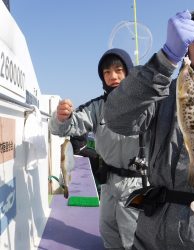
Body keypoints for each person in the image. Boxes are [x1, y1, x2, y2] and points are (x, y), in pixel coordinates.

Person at [104, 2, 194, 250]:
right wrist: (163, 60)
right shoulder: (160, 93)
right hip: (151, 236)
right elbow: (117, 118)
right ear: (187, 47)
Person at [49, 48, 144, 250]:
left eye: (118, 70)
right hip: (108, 182)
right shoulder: (97, 107)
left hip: (138, 183)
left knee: (134, 237)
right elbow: (66, 126)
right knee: (108, 232)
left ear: (128, 72)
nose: (113, 76)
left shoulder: (144, 104)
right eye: (107, 73)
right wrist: (61, 117)